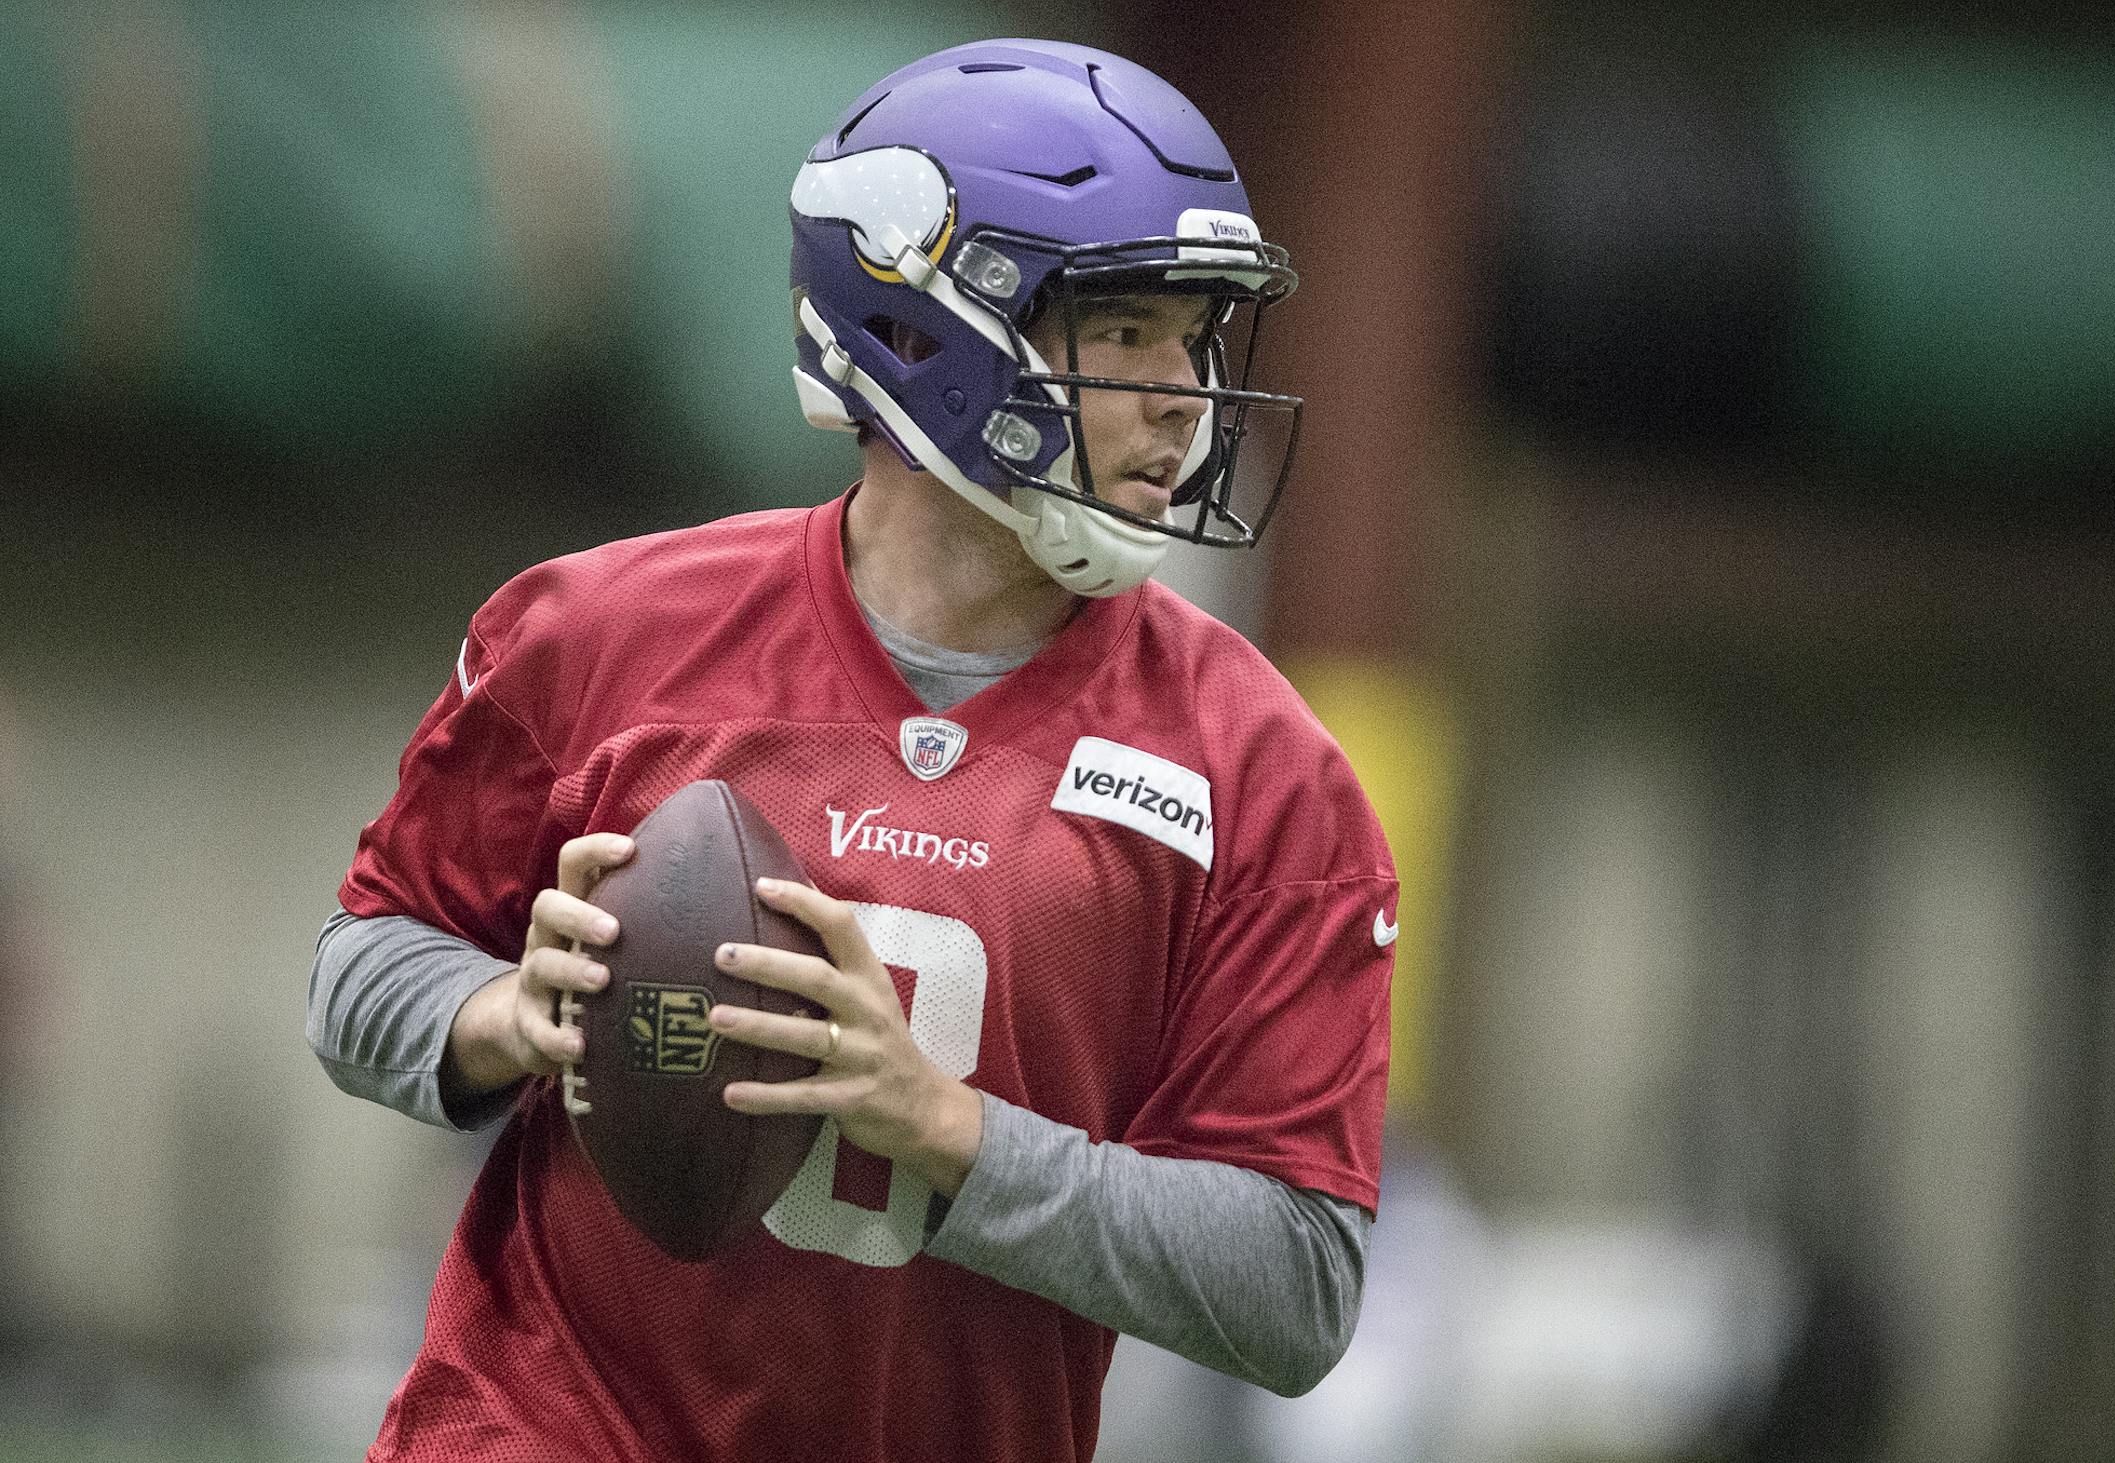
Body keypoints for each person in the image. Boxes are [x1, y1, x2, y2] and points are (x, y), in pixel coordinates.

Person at [310, 38, 1397, 1463]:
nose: (1184, 390)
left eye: (1199, 333)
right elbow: (363, 961)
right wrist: (503, 1018)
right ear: (924, 331)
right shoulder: (602, 634)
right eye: (1126, 329)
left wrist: (945, 1132)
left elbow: (1295, 1292)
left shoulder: (1267, 778)